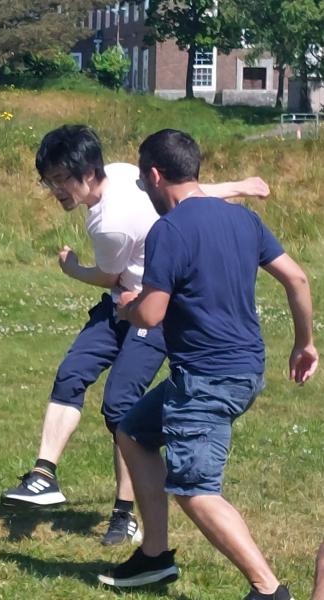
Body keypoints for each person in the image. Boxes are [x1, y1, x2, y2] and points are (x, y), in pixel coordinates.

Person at [0, 125, 271, 546]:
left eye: (59, 180)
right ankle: (43, 475)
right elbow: (190, 189)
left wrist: (71, 269)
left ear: (88, 173)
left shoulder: (108, 225)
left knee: (121, 406)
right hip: (119, 305)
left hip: (151, 310)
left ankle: (124, 515)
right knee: (72, 372)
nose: (55, 190)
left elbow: (107, 274)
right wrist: (239, 185)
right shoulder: (126, 172)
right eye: (48, 181)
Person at [100, 129, 317, 600]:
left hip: (207, 380)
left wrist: (127, 307)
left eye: (143, 182)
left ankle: (269, 590)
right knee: (134, 432)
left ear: (155, 176)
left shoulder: (170, 231)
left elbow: (152, 315)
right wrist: (306, 342)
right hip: (243, 371)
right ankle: (155, 557)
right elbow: (296, 278)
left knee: (195, 488)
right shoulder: (242, 219)